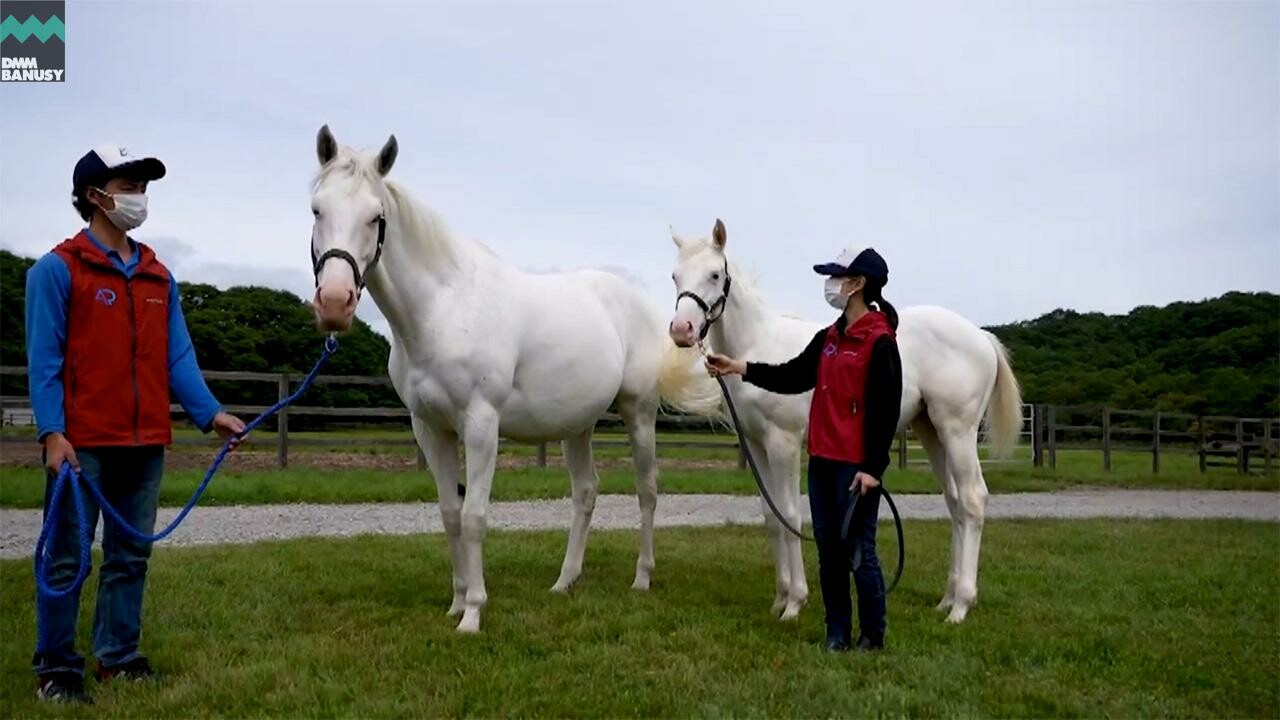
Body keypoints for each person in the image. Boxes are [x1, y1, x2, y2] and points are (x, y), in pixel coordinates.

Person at [25, 144, 247, 704]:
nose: (138, 196)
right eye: (128, 185)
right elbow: (44, 360)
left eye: (143, 185)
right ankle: (56, 668)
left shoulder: (157, 276)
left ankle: (117, 658)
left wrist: (210, 412)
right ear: (94, 195)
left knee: (130, 556)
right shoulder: (57, 270)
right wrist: (53, 431)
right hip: (81, 445)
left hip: (146, 442)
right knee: (69, 557)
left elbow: (178, 357)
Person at [705, 247, 903, 653]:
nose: (831, 284)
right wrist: (738, 367)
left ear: (858, 284)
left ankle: (873, 634)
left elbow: (886, 410)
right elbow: (793, 375)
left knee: (859, 551)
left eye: (837, 276)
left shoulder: (880, 341)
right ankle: (836, 632)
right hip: (823, 461)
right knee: (829, 552)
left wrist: (873, 468)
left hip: (855, 468)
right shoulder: (829, 337)